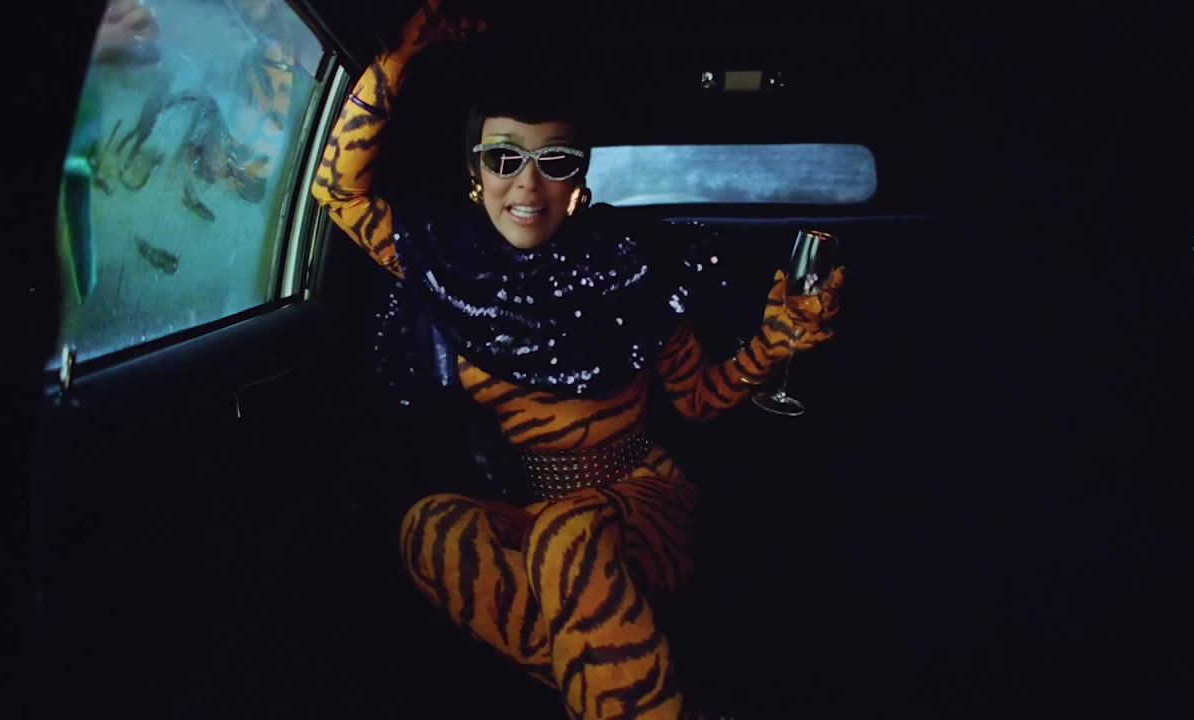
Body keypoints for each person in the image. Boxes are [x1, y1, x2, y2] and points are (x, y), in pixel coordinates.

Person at [310, 3, 843, 718]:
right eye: (504, 159)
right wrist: (399, 58)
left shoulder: (633, 265)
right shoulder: (446, 261)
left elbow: (698, 401)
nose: (527, 186)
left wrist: (771, 346)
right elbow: (337, 191)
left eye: (554, 163)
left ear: (578, 181)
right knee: (432, 528)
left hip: (643, 498)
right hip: (535, 509)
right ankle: (629, 689)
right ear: (476, 175)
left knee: (568, 538)